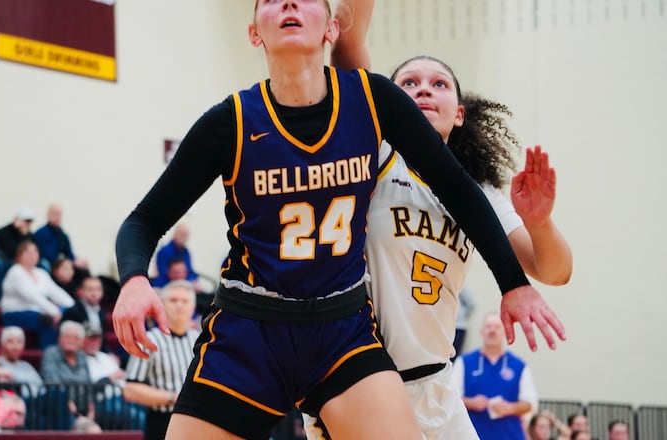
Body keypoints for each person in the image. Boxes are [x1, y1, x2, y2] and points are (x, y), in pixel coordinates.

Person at [113, 1, 561, 438]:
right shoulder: (229, 122)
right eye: (270, 0)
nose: (289, 3)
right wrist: (133, 279)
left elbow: (459, 188)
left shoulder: (371, 100)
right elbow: (144, 220)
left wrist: (513, 283)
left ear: (331, 29)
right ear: (254, 33)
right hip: (250, 326)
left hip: (341, 330)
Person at [304, 1, 572, 438]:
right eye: (408, 83)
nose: (424, 90)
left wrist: (540, 223)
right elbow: (349, 45)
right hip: (361, 383)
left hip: (437, 382)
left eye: (438, 84)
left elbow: (554, 272)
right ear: (386, 103)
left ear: (459, 112)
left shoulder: (478, 192)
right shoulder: (373, 155)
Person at [123, 280, 199, 440]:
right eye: (173, 300)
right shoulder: (149, 341)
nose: (179, 305)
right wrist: (174, 397)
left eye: (185, 301)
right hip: (162, 422)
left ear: (193, 307)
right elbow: (130, 389)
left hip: (196, 421)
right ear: (162, 305)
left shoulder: (200, 340)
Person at [453, 313, 538, 439]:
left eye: (497, 327)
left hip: (510, 435)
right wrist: (471, 402)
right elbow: (450, 397)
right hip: (472, 435)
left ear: (504, 332)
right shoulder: (464, 362)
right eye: (488, 326)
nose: (492, 331)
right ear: (481, 331)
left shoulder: (519, 365)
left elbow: (530, 404)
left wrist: (510, 408)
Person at [1, 240, 75, 349]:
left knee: (67, 315)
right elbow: (33, 296)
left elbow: (56, 292)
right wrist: (54, 312)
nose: (32, 255)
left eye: (35, 251)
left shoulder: (41, 273)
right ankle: (47, 352)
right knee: (48, 321)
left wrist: (74, 307)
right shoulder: (15, 272)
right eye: (28, 252)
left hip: (39, 313)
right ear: (19, 255)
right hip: (15, 314)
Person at [34, 203, 89, 272]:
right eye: (55, 213)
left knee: (81, 265)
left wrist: (77, 261)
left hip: (60, 265)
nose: (57, 217)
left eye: (59, 214)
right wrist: (62, 262)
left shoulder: (63, 235)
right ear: (48, 215)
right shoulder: (40, 233)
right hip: (47, 264)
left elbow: (69, 254)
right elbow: (44, 255)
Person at [61, 276, 109, 353]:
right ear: (81, 291)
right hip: (77, 353)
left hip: (97, 353)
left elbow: (103, 340)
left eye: (97, 289)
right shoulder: (72, 312)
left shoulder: (102, 313)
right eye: (90, 289)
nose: (94, 293)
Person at [151, 223, 199, 290]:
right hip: (166, 283)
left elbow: (190, 271)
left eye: (186, 235)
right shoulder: (165, 251)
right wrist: (181, 281)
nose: (184, 237)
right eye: (182, 234)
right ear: (175, 234)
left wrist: (193, 281)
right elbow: (163, 272)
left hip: (183, 283)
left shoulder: (186, 252)